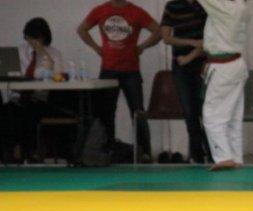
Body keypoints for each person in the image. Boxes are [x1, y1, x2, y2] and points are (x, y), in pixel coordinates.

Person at [78, 0, 161, 163]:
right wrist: (96, 48)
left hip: (131, 71)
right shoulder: (100, 10)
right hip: (108, 69)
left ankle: (144, 152)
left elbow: (158, 32)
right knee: (106, 113)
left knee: (137, 112)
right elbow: (82, 30)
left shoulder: (136, 11)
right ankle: (107, 150)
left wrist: (142, 46)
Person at [196, 0, 250, 171]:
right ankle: (235, 156)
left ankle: (224, 157)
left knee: (212, 115)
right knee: (233, 116)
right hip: (235, 64)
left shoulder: (225, 8)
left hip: (223, 67)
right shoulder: (241, 7)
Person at [6, 18, 67, 163]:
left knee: (29, 111)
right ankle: (10, 152)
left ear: (44, 37)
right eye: (30, 38)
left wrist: (41, 51)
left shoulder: (54, 53)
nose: (33, 42)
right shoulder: (18, 51)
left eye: (37, 38)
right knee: (7, 111)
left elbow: (57, 76)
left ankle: (28, 151)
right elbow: (10, 76)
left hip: (41, 99)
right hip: (18, 97)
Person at [161, 0, 210, 164]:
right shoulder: (172, 6)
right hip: (180, 65)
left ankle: (213, 154)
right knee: (189, 113)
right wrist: (191, 42)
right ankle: (197, 156)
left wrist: (193, 53)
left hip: (203, 63)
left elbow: (210, 39)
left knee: (207, 112)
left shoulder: (206, 5)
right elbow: (166, 38)